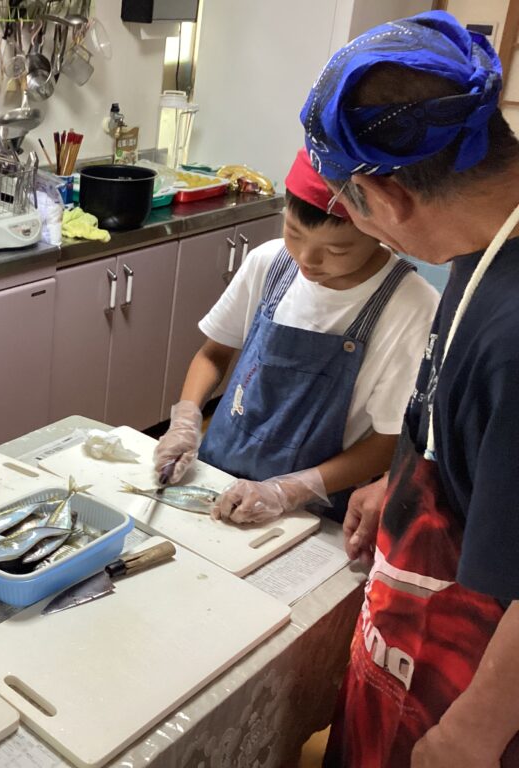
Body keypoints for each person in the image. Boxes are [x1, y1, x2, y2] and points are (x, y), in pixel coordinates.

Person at [296, 11, 519, 767]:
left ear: (384, 199)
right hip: (406, 646)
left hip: (473, 700)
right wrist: (396, 488)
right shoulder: (482, 247)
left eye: (348, 206)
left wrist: (472, 734)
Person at [154, 148, 438, 523]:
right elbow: (213, 354)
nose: (307, 259)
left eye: (336, 249)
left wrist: (287, 491)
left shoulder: (411, 307)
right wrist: (186, 420)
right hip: (216, 479)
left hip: (309, 511)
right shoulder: (270, 263)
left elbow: (389, 442)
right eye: (293, 233)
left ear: (379, 231)